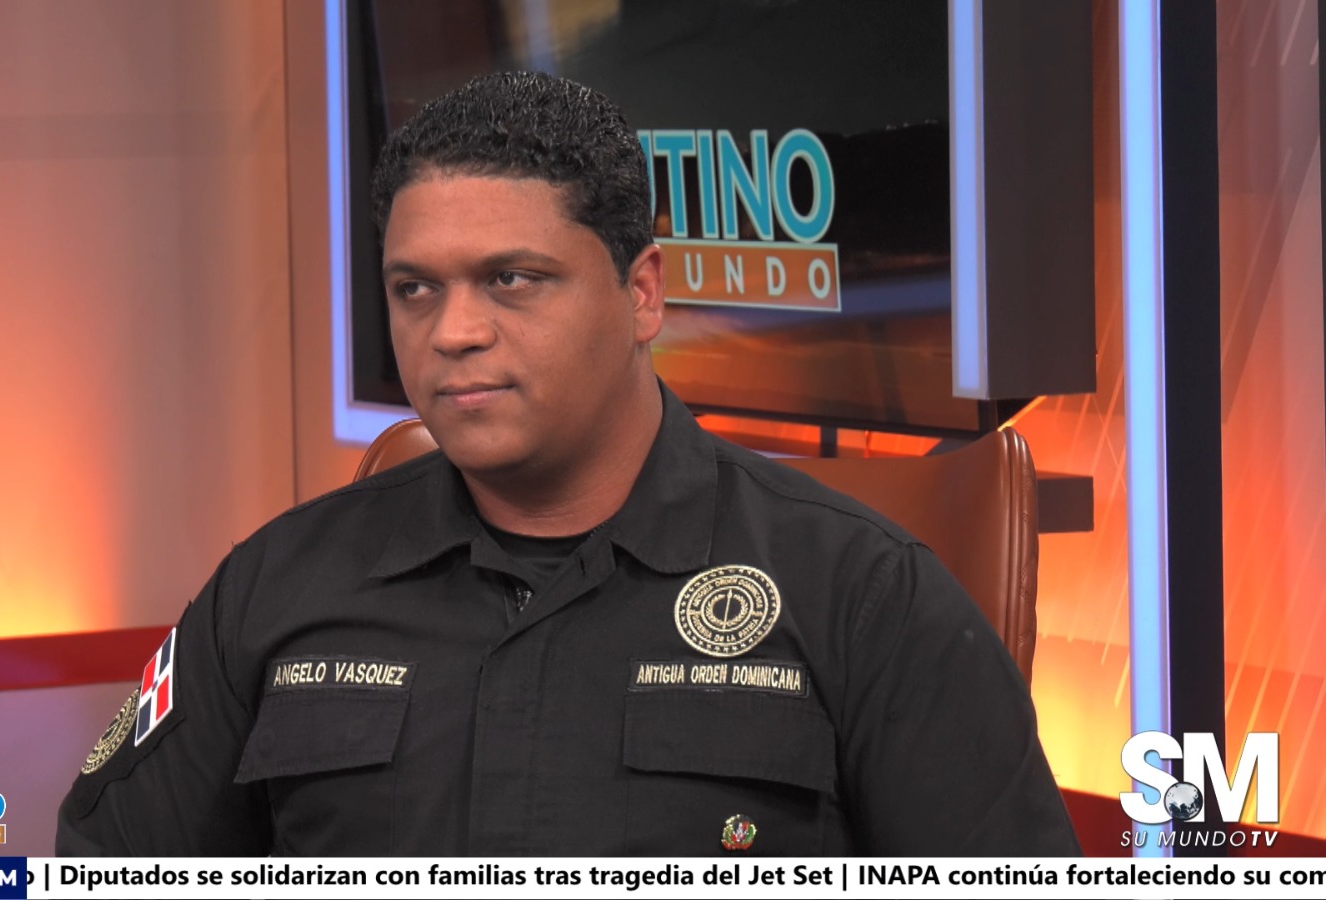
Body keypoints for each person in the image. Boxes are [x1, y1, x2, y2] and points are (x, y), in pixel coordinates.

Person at [57, 71, 1080, 856]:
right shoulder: (273, 588)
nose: (453, 331)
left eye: (512, 279)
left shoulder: (865, 597)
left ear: (642, 294)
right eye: (414, 289)